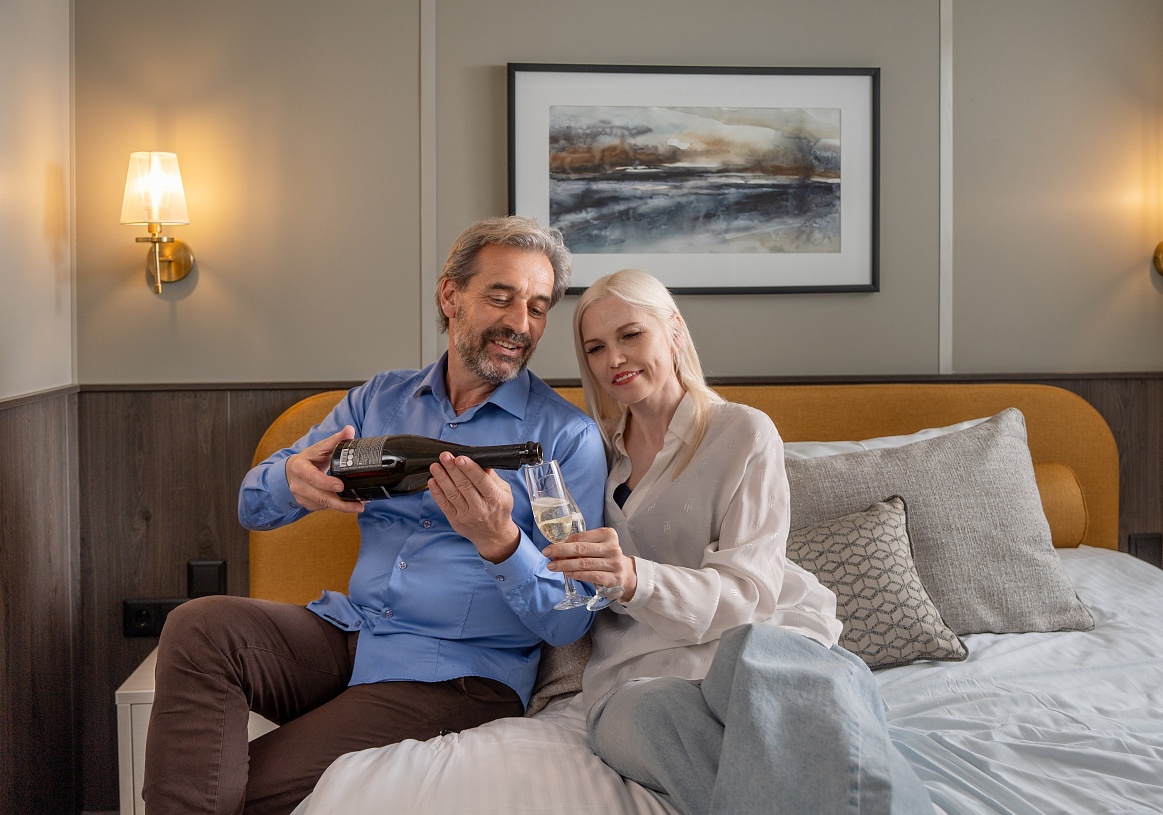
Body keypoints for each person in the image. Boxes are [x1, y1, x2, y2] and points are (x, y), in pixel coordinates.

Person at [142, 216, 608, 815]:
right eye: (501, 297)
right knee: (199, 625)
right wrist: (292, 480)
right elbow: (251, 506)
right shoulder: (381, 400)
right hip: (351, 634)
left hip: (457, 675)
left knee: (240, 794)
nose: (521, 323)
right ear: (450, 296)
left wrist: (501, 542)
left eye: (538, 308)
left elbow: (570, 619)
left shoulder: (565, 438)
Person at [544, 269, 934, 815]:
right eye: (596, 348)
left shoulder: (744, 432)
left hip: (752, 642)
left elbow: (748, 594)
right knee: (654, 723)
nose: (615, 359)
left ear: (674, 331)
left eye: (631, 335)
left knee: (773, 672)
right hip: (640, 671)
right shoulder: (591, 453)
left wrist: (636, 578)